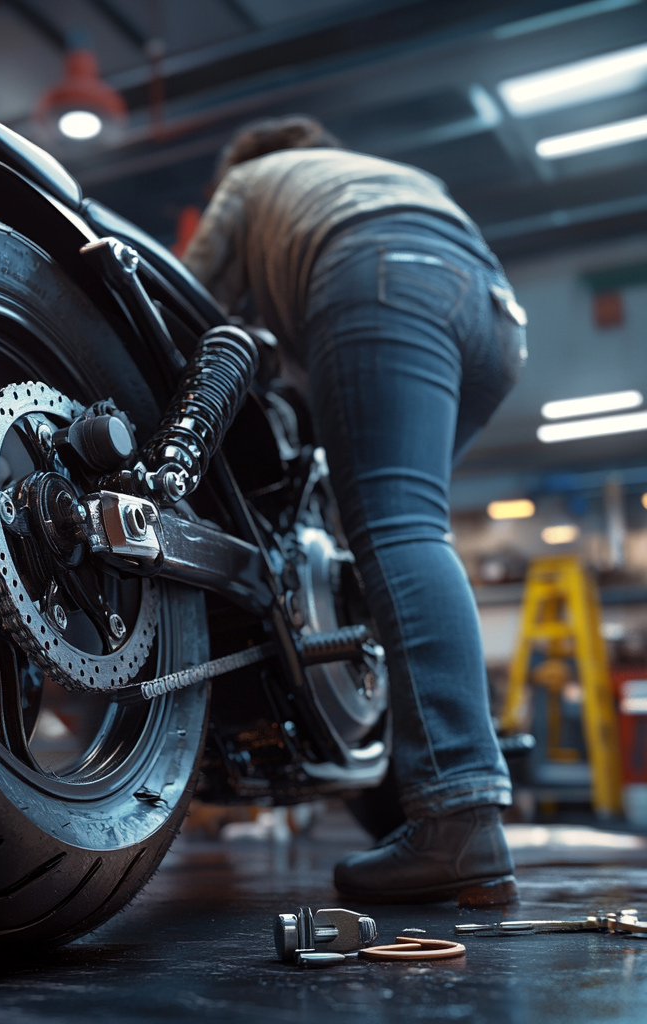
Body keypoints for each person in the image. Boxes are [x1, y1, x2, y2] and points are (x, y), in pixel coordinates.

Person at [183, 115, 527, 904]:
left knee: (397, 530)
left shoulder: (250, 181)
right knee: (381, 537)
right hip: (491, 316)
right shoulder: (379, 171)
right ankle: (412, 799)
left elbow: (185, 303)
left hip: (380, 275)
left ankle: (460, 816)